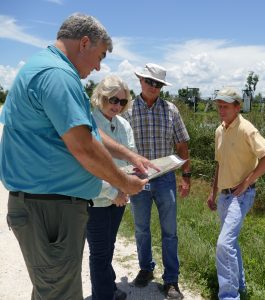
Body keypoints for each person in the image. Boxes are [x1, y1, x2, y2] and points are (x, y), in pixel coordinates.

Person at [0, 14, 153, 300]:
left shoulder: (49, 69)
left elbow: (89, 131)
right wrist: (125, 183)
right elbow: (84, 146)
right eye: (100, 55)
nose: (97, 66)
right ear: (84, 42)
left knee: (51, 290)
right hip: (50, 211)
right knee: (59, 293)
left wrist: (130, 155)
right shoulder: (57, 75)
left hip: (47, 207)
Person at [123, 63, 191, 299]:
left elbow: (182, 145)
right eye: (149, 81)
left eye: (158, 84)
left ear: (162, 87)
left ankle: (171, 280)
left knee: (169, 231)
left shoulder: (171, 110)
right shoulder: (128, 109)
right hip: (137, 180)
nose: (153, 87)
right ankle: (145, 269)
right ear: (140, 81)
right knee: (141, 229)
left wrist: (187, 176)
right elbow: (119, 146)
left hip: (165, 180)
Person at [206, 88, 265, 300]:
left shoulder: (247, 129)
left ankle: (229, 296)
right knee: (231, 243)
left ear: (238, 107)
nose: (221, 110)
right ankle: (241, 286)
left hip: (241, 195)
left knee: (223, 244)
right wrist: (213, 192)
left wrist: (247, 182)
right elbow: (220, 164)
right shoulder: (220, 130)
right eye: (219, 106)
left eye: (226, 106)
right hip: (224, 196)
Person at [87, 75, 136, 300]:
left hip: (119, 196)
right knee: (99, 252)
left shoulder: (124, 124)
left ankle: (108, 288)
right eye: (112, 99)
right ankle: (103, 295)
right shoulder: (88, 122)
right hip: (96, 198)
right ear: (100, 97)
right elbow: (89, 167)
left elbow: (130, 161)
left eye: (122, 102)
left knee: (109, 246)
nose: (117, 105)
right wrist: (114, 191)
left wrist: (123, 190)